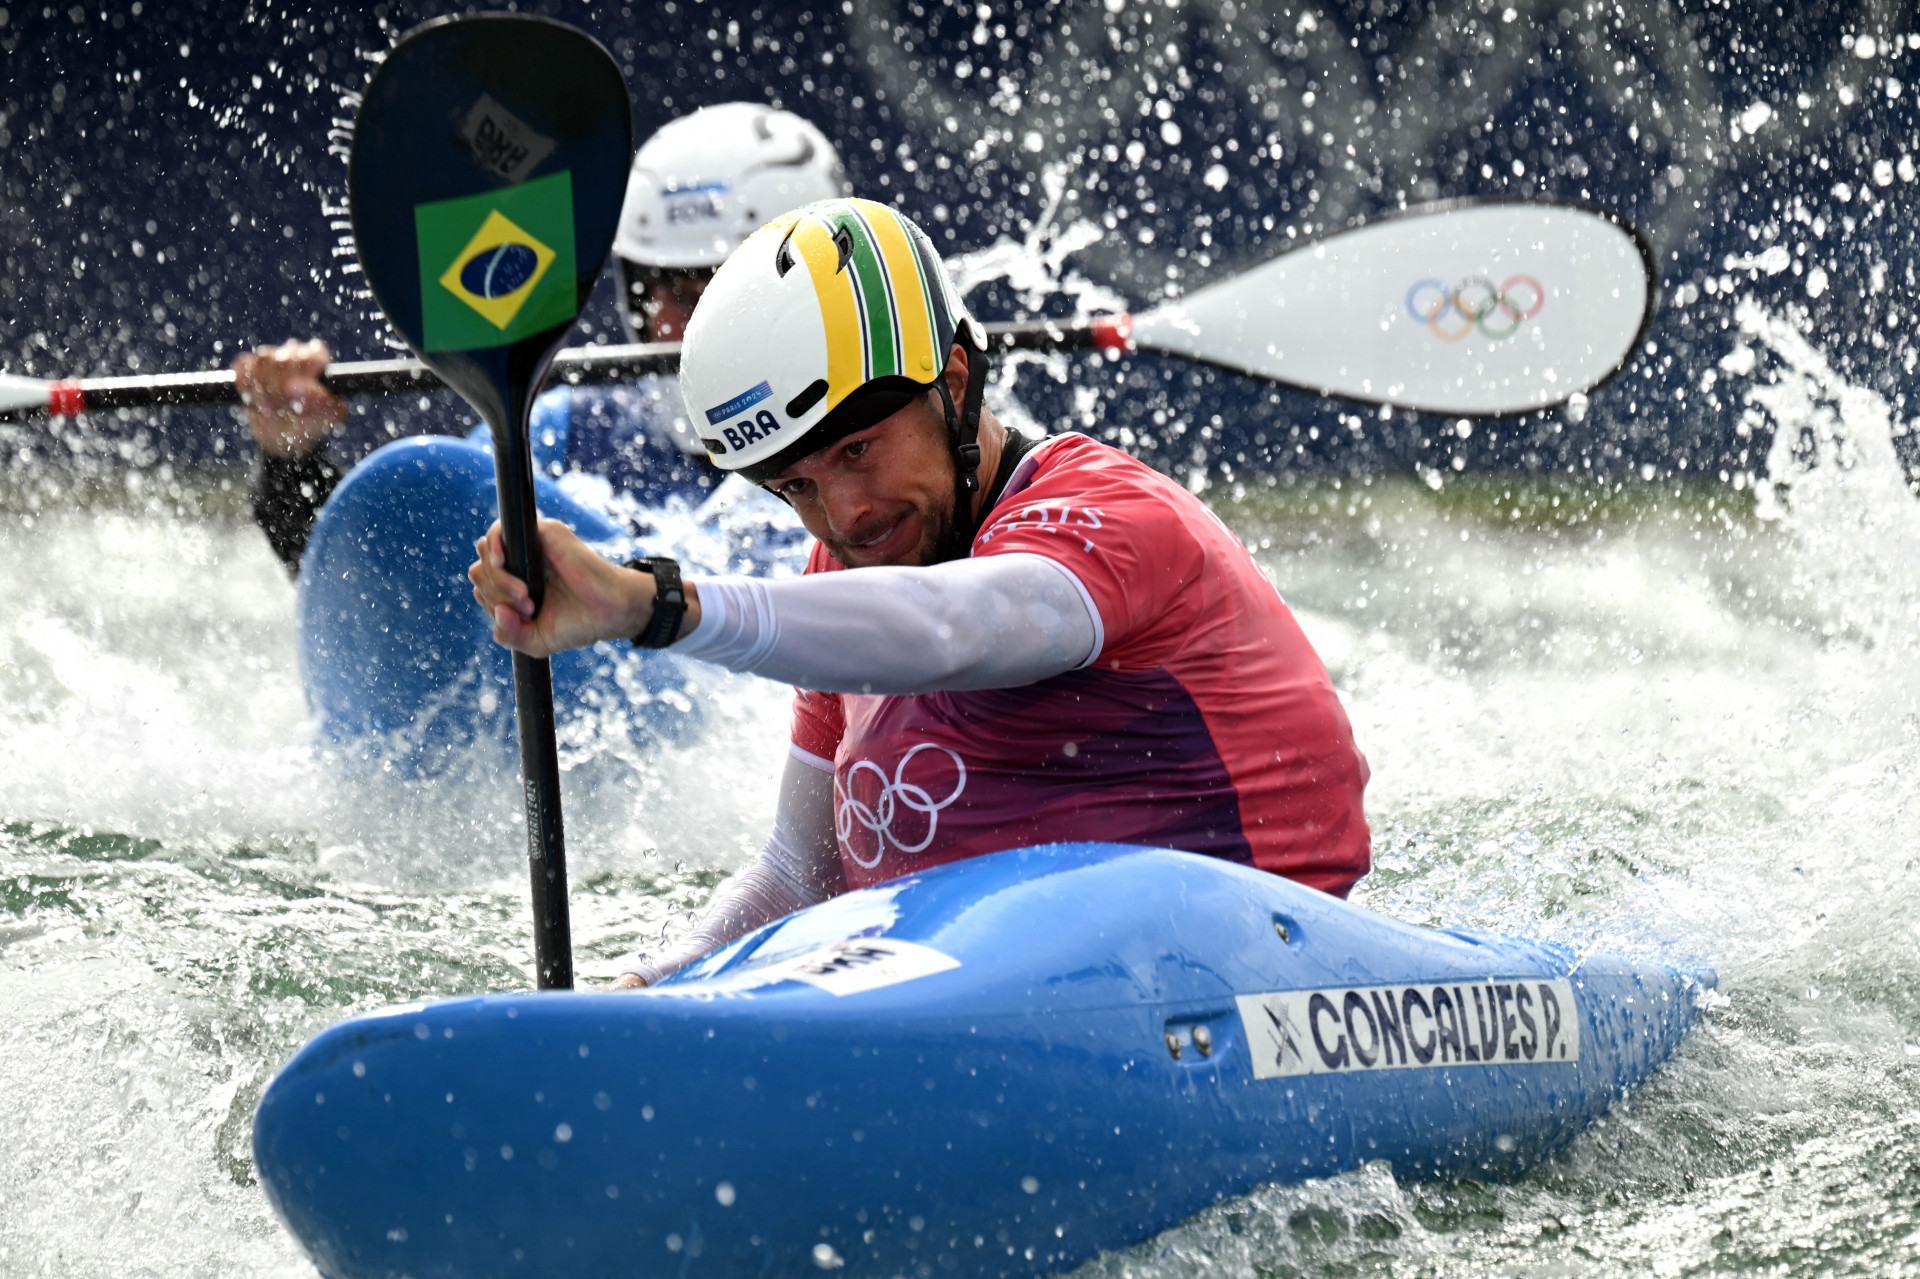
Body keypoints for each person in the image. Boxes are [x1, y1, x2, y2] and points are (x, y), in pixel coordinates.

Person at [466, 197, 1373, 989]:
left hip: (1261, 969)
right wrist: (645, 987)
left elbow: (953, 627)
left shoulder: (1112, 516)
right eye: (798, 487)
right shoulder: (847, 582)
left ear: (955, 379)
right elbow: (798, 873)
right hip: (998, 986)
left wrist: (652, 605)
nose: (847, 515)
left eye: (858, 451)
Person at [232, 103, 849, 574]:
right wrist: (294, 462)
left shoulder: (875, 450)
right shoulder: (567, 436)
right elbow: (385, 588)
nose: (685, 329)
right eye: (673, 293)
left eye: (721, 295)